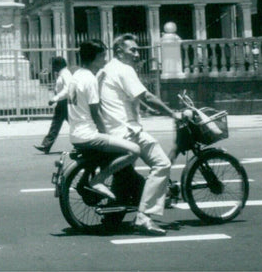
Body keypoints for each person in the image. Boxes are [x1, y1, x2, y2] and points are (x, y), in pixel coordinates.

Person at [97, 33, 183, 236]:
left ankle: (112, 216)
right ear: (119, 51)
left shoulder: (107, 68)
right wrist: (172, 113)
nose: (137, 54)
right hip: (127, 131)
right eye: (132, 50)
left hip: (109, 130)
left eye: (137, 50)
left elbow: (129, 96)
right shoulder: (125, 69)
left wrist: (145, 108)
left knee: (125, 175)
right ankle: (145, 218)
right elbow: (146, 95)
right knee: (162, 164)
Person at [67, 40, 141, 202]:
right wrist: (107, 134)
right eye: (102, 56)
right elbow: (96, 113)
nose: (105, 60)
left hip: (76, 134)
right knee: (134, 150)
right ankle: (98, 180)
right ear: (94, 58)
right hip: (89, 136)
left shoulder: (77, 76)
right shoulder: (90, 80)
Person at [34, 57, 73, 154]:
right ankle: (46, 145)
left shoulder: (66, 74)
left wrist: (55, 98)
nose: (52, 67)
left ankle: (82, 143)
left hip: (65, 102)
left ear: (58, 65)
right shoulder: (62, 74)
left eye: (54, 65)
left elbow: (68, 89)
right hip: (62, 103)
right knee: (56, 124)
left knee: (72, 125)